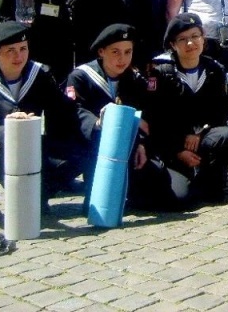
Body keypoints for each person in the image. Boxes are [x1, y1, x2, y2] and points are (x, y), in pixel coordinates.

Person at [0, 22, 86, 224]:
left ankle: (39, 195)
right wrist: (12, 128)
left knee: (75, 155)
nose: (19, 56)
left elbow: (63, 110)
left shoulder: (38, 75)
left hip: (29, 142)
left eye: (23, 49)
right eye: (10, 51)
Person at [65, 24, 184, 210]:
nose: (122, 59)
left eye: (128, 52)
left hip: (129, 147)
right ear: (101, 52)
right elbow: (75, 113)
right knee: (99, 200)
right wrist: (99, 123)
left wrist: (141, 144)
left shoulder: (133, 79)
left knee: (164, 190)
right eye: (115, 52)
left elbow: (144, 117)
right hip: (92, 148)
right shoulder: (81, 77)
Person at [146, 13, 228, 203]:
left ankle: (208, 175)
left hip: (203, 138)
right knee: (179, 198)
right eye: (182, 39)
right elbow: (154, 119)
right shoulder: (160, 72)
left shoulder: (214, 70)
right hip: (171, 146)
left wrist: (199, 131)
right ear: (173, 44)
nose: (190, 44)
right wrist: (177, 150)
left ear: (203, 38)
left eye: (195, 36)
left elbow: (221, 111)